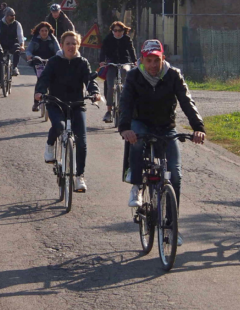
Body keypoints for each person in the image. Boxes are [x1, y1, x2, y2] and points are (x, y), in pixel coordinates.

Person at [119, 39, 205, 221]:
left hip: (166, 127)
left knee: (175, 173)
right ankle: (136, 186)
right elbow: (125, 103)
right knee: (136, 140)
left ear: (163, 59)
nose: (152, 65)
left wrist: (198, 127)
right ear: (142, 59)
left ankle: (172, 225)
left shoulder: (173, 75)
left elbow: (186, 101)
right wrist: (125, 128)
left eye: (156, 60)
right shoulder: (134, 76)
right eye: (148, 60)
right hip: (140, 123)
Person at [34, 31, 101, 192]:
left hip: (77, 104)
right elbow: (44, 79)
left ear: (78, 45)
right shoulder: (53, 61)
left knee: (82, 141)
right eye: (68, 43)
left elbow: (89, 80)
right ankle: (50, 145)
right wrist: (40, 92)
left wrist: (94, 93)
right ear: (62, 45)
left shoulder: (83, 62)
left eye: (74, 43)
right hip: (56, 103)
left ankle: (79, 177)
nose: (71, 46)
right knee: (59, 126)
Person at [99, 21, 137, 123]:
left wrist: (135, 61)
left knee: (126, 81)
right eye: (115, 30)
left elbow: (131, 50)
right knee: (110, 85)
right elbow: (103, 50)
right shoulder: (108, 39)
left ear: (123, 31)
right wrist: (102, 61)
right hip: (112, 63)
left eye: (119, 30)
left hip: (125, 62)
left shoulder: (127, 39)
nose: (117, 32)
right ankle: (109, 111)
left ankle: (125, 108)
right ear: (112, 31)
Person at [26, 21, 61, 111]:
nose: (44, 32)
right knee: (40, 79)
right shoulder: (35, 39)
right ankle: (36, 103)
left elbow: (58, 50)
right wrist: (30, 55)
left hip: (51, 61)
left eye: (46, 30)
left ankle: (55, 101)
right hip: (37, 61)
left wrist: (59, 56)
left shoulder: (53, 39)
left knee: (53, 79)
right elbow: (29, 50)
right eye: (42, 31)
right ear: (39, 31)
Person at [0, 7, 24, 88]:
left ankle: (14, 67)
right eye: (11, 15)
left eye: (14, 15)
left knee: (17, 49)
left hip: (12, 44)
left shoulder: (17, 24)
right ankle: (0, 81)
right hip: (1, 45)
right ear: (6, 16)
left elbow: (20, 36)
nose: (13, 17)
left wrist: (22, 45)